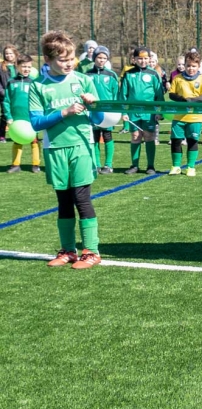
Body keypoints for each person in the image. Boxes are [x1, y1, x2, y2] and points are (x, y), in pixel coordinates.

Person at [27, 31, 103, 269]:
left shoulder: (83, 80)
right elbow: (36, 123)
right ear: (47, 61)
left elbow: (100, 118)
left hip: (81, 145)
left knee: (81, 198)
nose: (69, 63)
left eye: (71, 58)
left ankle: (91, 252)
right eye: (62, 59)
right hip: (55, 149)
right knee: (63, 200)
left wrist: (93, 106)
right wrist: (64, 112)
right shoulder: (38, 86)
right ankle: (68, 251)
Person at [120, 47, 165, 174]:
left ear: (150, 59)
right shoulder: (128, 74)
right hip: (133, 112)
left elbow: (159, 95)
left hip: (149, 112)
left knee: (149, 136)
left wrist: (159, 112)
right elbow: (123, 95)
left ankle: (150, 166)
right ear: (134, 59)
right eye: (140, 58)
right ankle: (134, 165)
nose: (143, 61)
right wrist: (124, 112)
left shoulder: (153, 74)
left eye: (146, 58)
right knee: (135, 136)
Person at [166, 49, 202, 177]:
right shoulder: (178, 78)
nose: (191, 68)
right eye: (188, 66)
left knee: (192, 141)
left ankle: (191, 167)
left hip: (195, 117)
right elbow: (172, 94)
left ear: (198, 66)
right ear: (184, 65)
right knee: (175, 141)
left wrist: (192, 100)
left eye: (194, 66)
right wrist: (182, 99)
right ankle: (176, 166)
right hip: (179, 116)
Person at [85, 46, 120, 173]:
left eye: (104, 58)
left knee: (107, 136)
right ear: (94, 58)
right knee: (94, 137)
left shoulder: (111, 75)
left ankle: (108, 165)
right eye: (99, 57)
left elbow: (116, 95)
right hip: (93, 111)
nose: (101, 60)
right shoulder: (87, 75)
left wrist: (116, 110)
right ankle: (97, 164)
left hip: (108, 112)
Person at [4, 54, 41, 173]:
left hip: (30, 118)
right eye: (24, 66)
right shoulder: (11, 82)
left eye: (29, 67)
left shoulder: (34, 83)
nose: (26, 69)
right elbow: (6, 101)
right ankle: (15, 165)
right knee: (17, 140)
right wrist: (8, 117)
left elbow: (39, 101)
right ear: (17, 66)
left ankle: (36, 164)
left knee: (34, 140)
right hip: (16, 119)